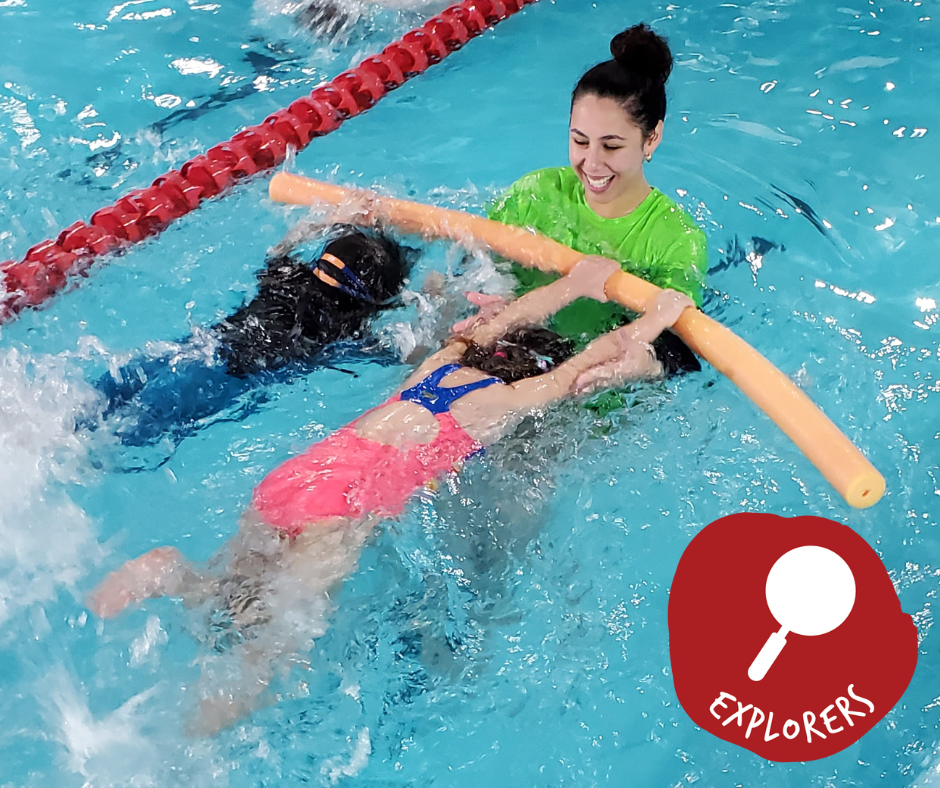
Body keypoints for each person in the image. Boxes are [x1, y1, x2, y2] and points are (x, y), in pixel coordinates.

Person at [87, 256, 694, 733]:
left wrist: (575, 283)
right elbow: (588, 366)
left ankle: (177, 575)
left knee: (236, 588)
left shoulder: (440, 364)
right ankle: (188, 744)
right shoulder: (502, 403)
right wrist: (658, 319)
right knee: (271, 653)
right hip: (339, 512)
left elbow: (504, 319)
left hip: (294, 480)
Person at [92, 224, 418, 463]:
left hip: (193, 346)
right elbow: (409, 355)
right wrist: (435, 296)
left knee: (91, 402)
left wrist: (323, 223)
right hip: (220, 379)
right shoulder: (344, 331)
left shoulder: (285, 273)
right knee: (113, 443)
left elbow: (281, 247)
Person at [487, 22, 708, 351]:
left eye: (611, 146)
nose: (591, 163)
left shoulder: (675, 243)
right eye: (580, 141)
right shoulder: (533, 194)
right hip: (507, 345)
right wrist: (492, 300)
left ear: (652, 138)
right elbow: (477, 268)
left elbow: (667, 350)